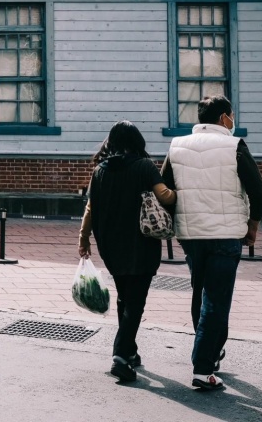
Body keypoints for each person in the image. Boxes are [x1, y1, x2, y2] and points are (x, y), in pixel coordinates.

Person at [162, 95, 262, 392]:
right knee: (217, 300)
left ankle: (212, 351)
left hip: (191, 235)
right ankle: (203, 368)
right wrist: (253, 228)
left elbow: (164, 189)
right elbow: (259, 194)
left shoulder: (177, 146)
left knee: (201, 293)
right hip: (225, 235)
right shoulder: (235, 146)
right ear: (224, 118)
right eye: (232, 115)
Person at [78, 121, 176, 383]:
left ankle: (130, 351)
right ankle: (120, 357)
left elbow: (90, 208)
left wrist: (83, 238)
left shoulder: (100, 171)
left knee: (125, 295)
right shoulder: (144, 166)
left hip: (109, 243)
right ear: (137, 142)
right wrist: (181, 194)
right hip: (140, 242)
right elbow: (165, 196)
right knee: (136, 300)